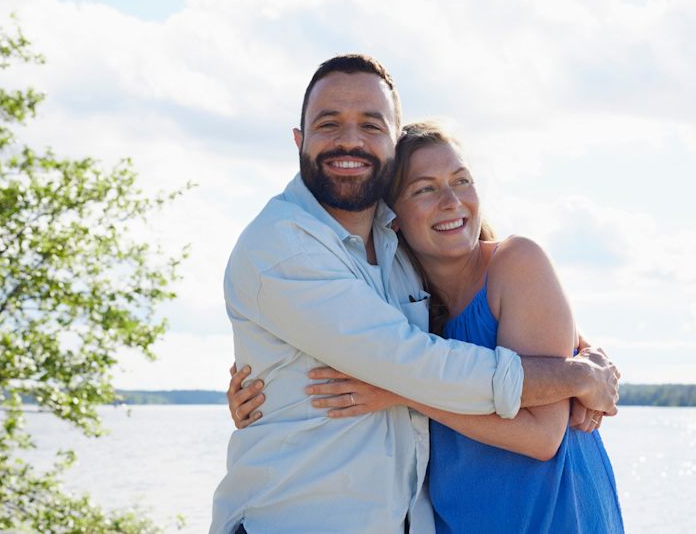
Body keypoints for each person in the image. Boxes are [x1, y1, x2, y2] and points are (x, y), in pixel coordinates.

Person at [210, 54, 620, 534]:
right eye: (328, 123)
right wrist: (573, 376)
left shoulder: (397, 257)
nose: (350, 140)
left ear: (388, 148)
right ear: (299, 140)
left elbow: (454, 361)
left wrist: (584, 357)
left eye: (371, 125)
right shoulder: (284, 248)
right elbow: (415, 365)